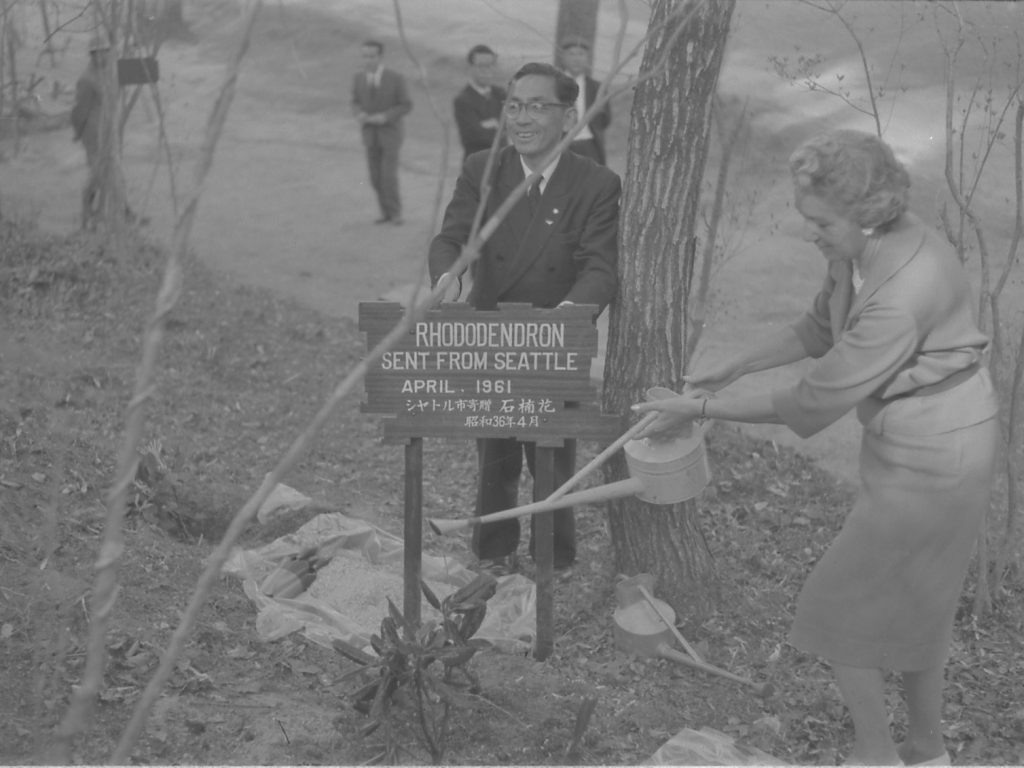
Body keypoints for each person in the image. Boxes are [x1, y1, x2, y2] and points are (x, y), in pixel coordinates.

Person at [632, 130, 999, 766]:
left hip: (939, 456)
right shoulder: (857, 249)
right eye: (808, 218)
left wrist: (700, 408)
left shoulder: (904, 289)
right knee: (916, 605)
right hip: (909, 442)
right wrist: (736, 365)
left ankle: (876, 756)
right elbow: (817, 327)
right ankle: (926, 752)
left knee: (836, 606)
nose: (811, 232)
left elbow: (812, 400)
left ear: (868, 213)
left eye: (820, 221)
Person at [428, 62, 621, 575]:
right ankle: (493, 553)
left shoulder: (596, 183)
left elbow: (600, 269)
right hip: (494, 333)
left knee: (551, 457)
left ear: (568, 117)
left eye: (537, 106)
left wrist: (562, 321)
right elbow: (453, 238)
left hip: (555, 339)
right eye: (513, 105)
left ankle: (552, 561)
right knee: (495, 454)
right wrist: (447, 279)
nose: (521, 118)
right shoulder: (482, 168)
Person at [350, 39, 412, 225]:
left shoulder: (395, 78)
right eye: (365, 56)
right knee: (375, 177)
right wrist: (359, 113)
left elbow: (406, 105)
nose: (368, 60)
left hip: (391, 134)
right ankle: (386, 213)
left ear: (380, 57)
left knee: (388, 176)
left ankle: (396, 213)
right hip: (369, 135)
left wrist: (385, 117)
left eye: (372, 56)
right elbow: (354, 101)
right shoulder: (358, 78)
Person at [71, 37, 109, 230]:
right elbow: (80, 111)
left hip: (106, 131)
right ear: (93, 55)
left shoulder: (106, 73)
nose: (104, 55)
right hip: (92, 134)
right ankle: (87, 210)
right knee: (97, 173)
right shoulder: (87, 79)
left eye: (106, 51)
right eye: (100, 52)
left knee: (110, 171)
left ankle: (121, 210)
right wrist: (78, 133)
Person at [558, 38, 611, 166]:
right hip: (560, 146)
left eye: (581, 54)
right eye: (572, 54)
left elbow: (605, 119)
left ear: (588, 58)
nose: (577, 59)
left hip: (589, 147)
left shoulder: (597, 88)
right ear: (563, 57)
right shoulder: (554, 85)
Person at [453, 44, 506, 161]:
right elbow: (474, 137)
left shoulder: (502, 94)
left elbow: (514, 126)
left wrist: (490, 126)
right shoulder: (463, 100)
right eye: (481, 66)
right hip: (477, 167)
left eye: (491, 65)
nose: (487, 71)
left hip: (504, 164)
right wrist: (501, 128)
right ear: (469, 68)